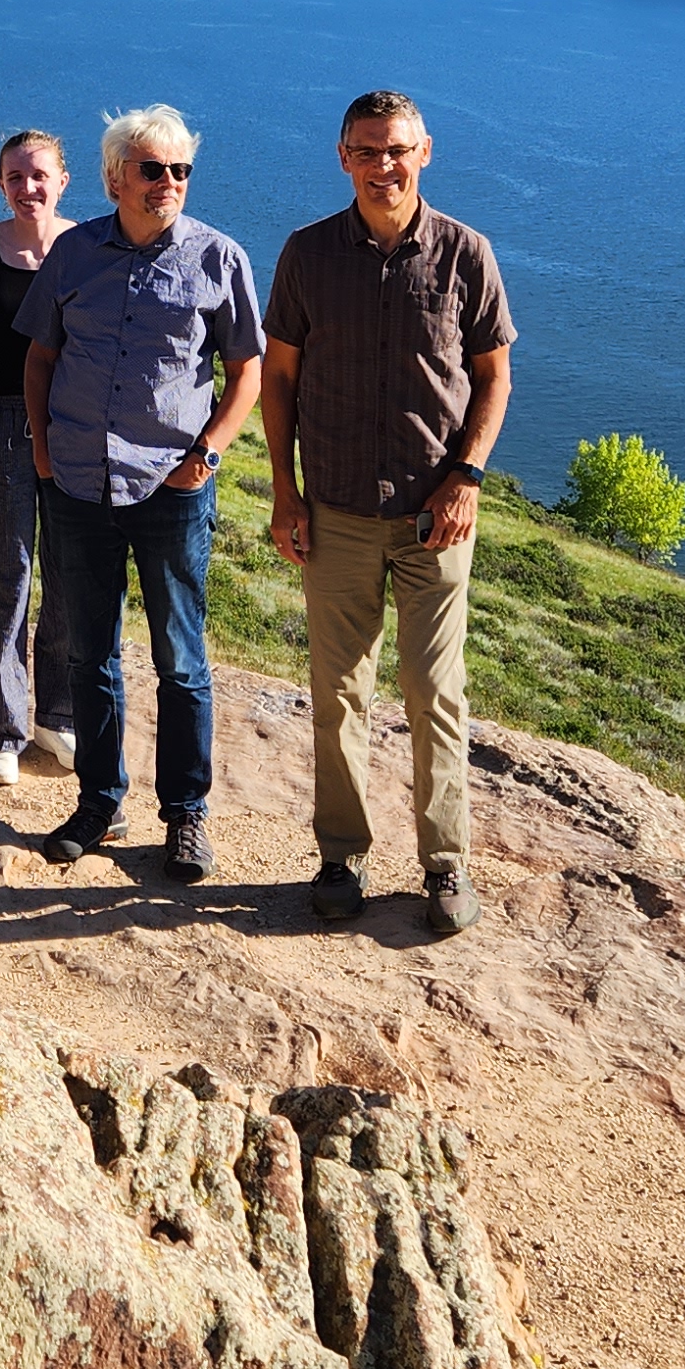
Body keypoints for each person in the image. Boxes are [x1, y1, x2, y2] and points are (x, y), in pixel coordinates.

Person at [261, 90, 514, 937]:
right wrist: (285, 495)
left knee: (434, 689)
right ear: (343, 157)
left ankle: (445, 865)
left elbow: (494, 377)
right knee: (337, 693)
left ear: (426, 152)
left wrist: (468, 477)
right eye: (367, 151)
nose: (384, 165)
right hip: (333, 509)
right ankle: (340, 854)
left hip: (433, 514)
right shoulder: (305, 255)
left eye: (398, 150)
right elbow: (281, 379)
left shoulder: (465, 255)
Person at [16, 104, 262, 883]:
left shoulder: (220, 259)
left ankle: (185, 817)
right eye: (153, 169)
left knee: (181, 660)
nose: (169, 183)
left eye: (181, 171)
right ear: (116, 175)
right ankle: (99, 801)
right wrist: (47, 457)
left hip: (171, 490)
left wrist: (208, 455)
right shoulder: (74, 252)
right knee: (88, 652)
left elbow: (246, 371)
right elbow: (39, 359)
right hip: (79, 485)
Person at [0, 128, 80, 788]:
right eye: (15, 176)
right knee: (4, 574)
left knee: (67, 572)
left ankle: (59, 717)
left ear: (63, 180)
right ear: (0, 184)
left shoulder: (89, 246)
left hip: (76, 427)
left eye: (39, 175)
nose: (28, 187)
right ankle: (0, 728)